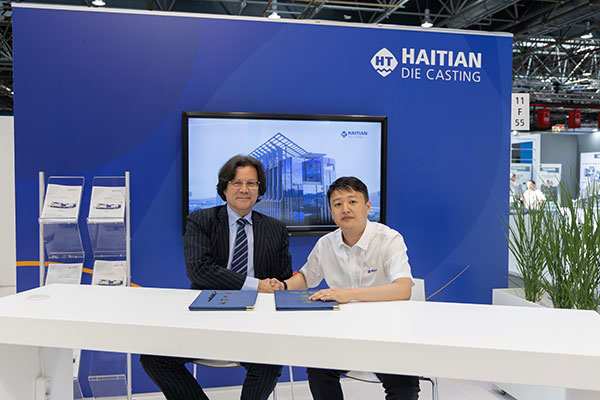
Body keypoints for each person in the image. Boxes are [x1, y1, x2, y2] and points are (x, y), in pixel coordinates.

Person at [140, 155, 293, 400]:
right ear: (224, 188)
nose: (244, 189)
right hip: (208, 316)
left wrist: (277, 285)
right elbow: (199, 270)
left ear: (260, 189)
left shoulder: (275, 229)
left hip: (256, 320)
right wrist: (256, 285)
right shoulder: (201, 220)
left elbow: (282, 279)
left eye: (251, 183)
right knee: (155, 357)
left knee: (269, 362)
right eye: (237, 182)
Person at [270, 176, 419, 400]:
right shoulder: (326, 243)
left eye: (352, 201)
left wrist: (346, 295)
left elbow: (403, 289)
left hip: (386, 331)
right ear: (331, 211)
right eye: (337, 204)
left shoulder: (389, 239)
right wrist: (282, 286)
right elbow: (306, 277)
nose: (345, 209)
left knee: (404, 387)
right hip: (342, 331)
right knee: (318, 369)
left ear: (367, 206)